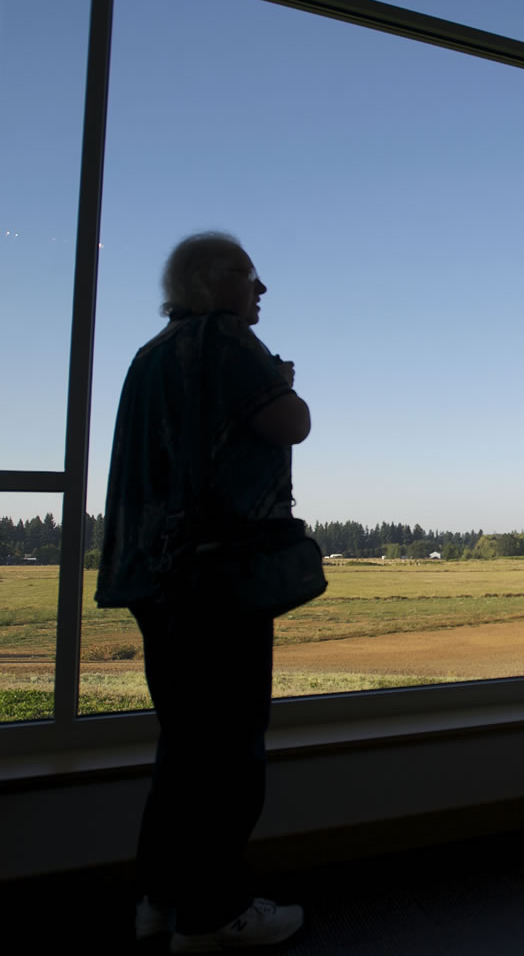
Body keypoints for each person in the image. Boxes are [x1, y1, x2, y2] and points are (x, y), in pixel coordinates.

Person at [95, 232, 311, 951]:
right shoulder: (225, 341)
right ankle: (215, 914)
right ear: (215, 284)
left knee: (184, 748)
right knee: (230, 752)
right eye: (250, 276)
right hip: (221, 579)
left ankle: (159, 900)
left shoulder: (151, 355)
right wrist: (279, 380)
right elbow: (291, 423)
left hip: (159, 581)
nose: (261, 290)